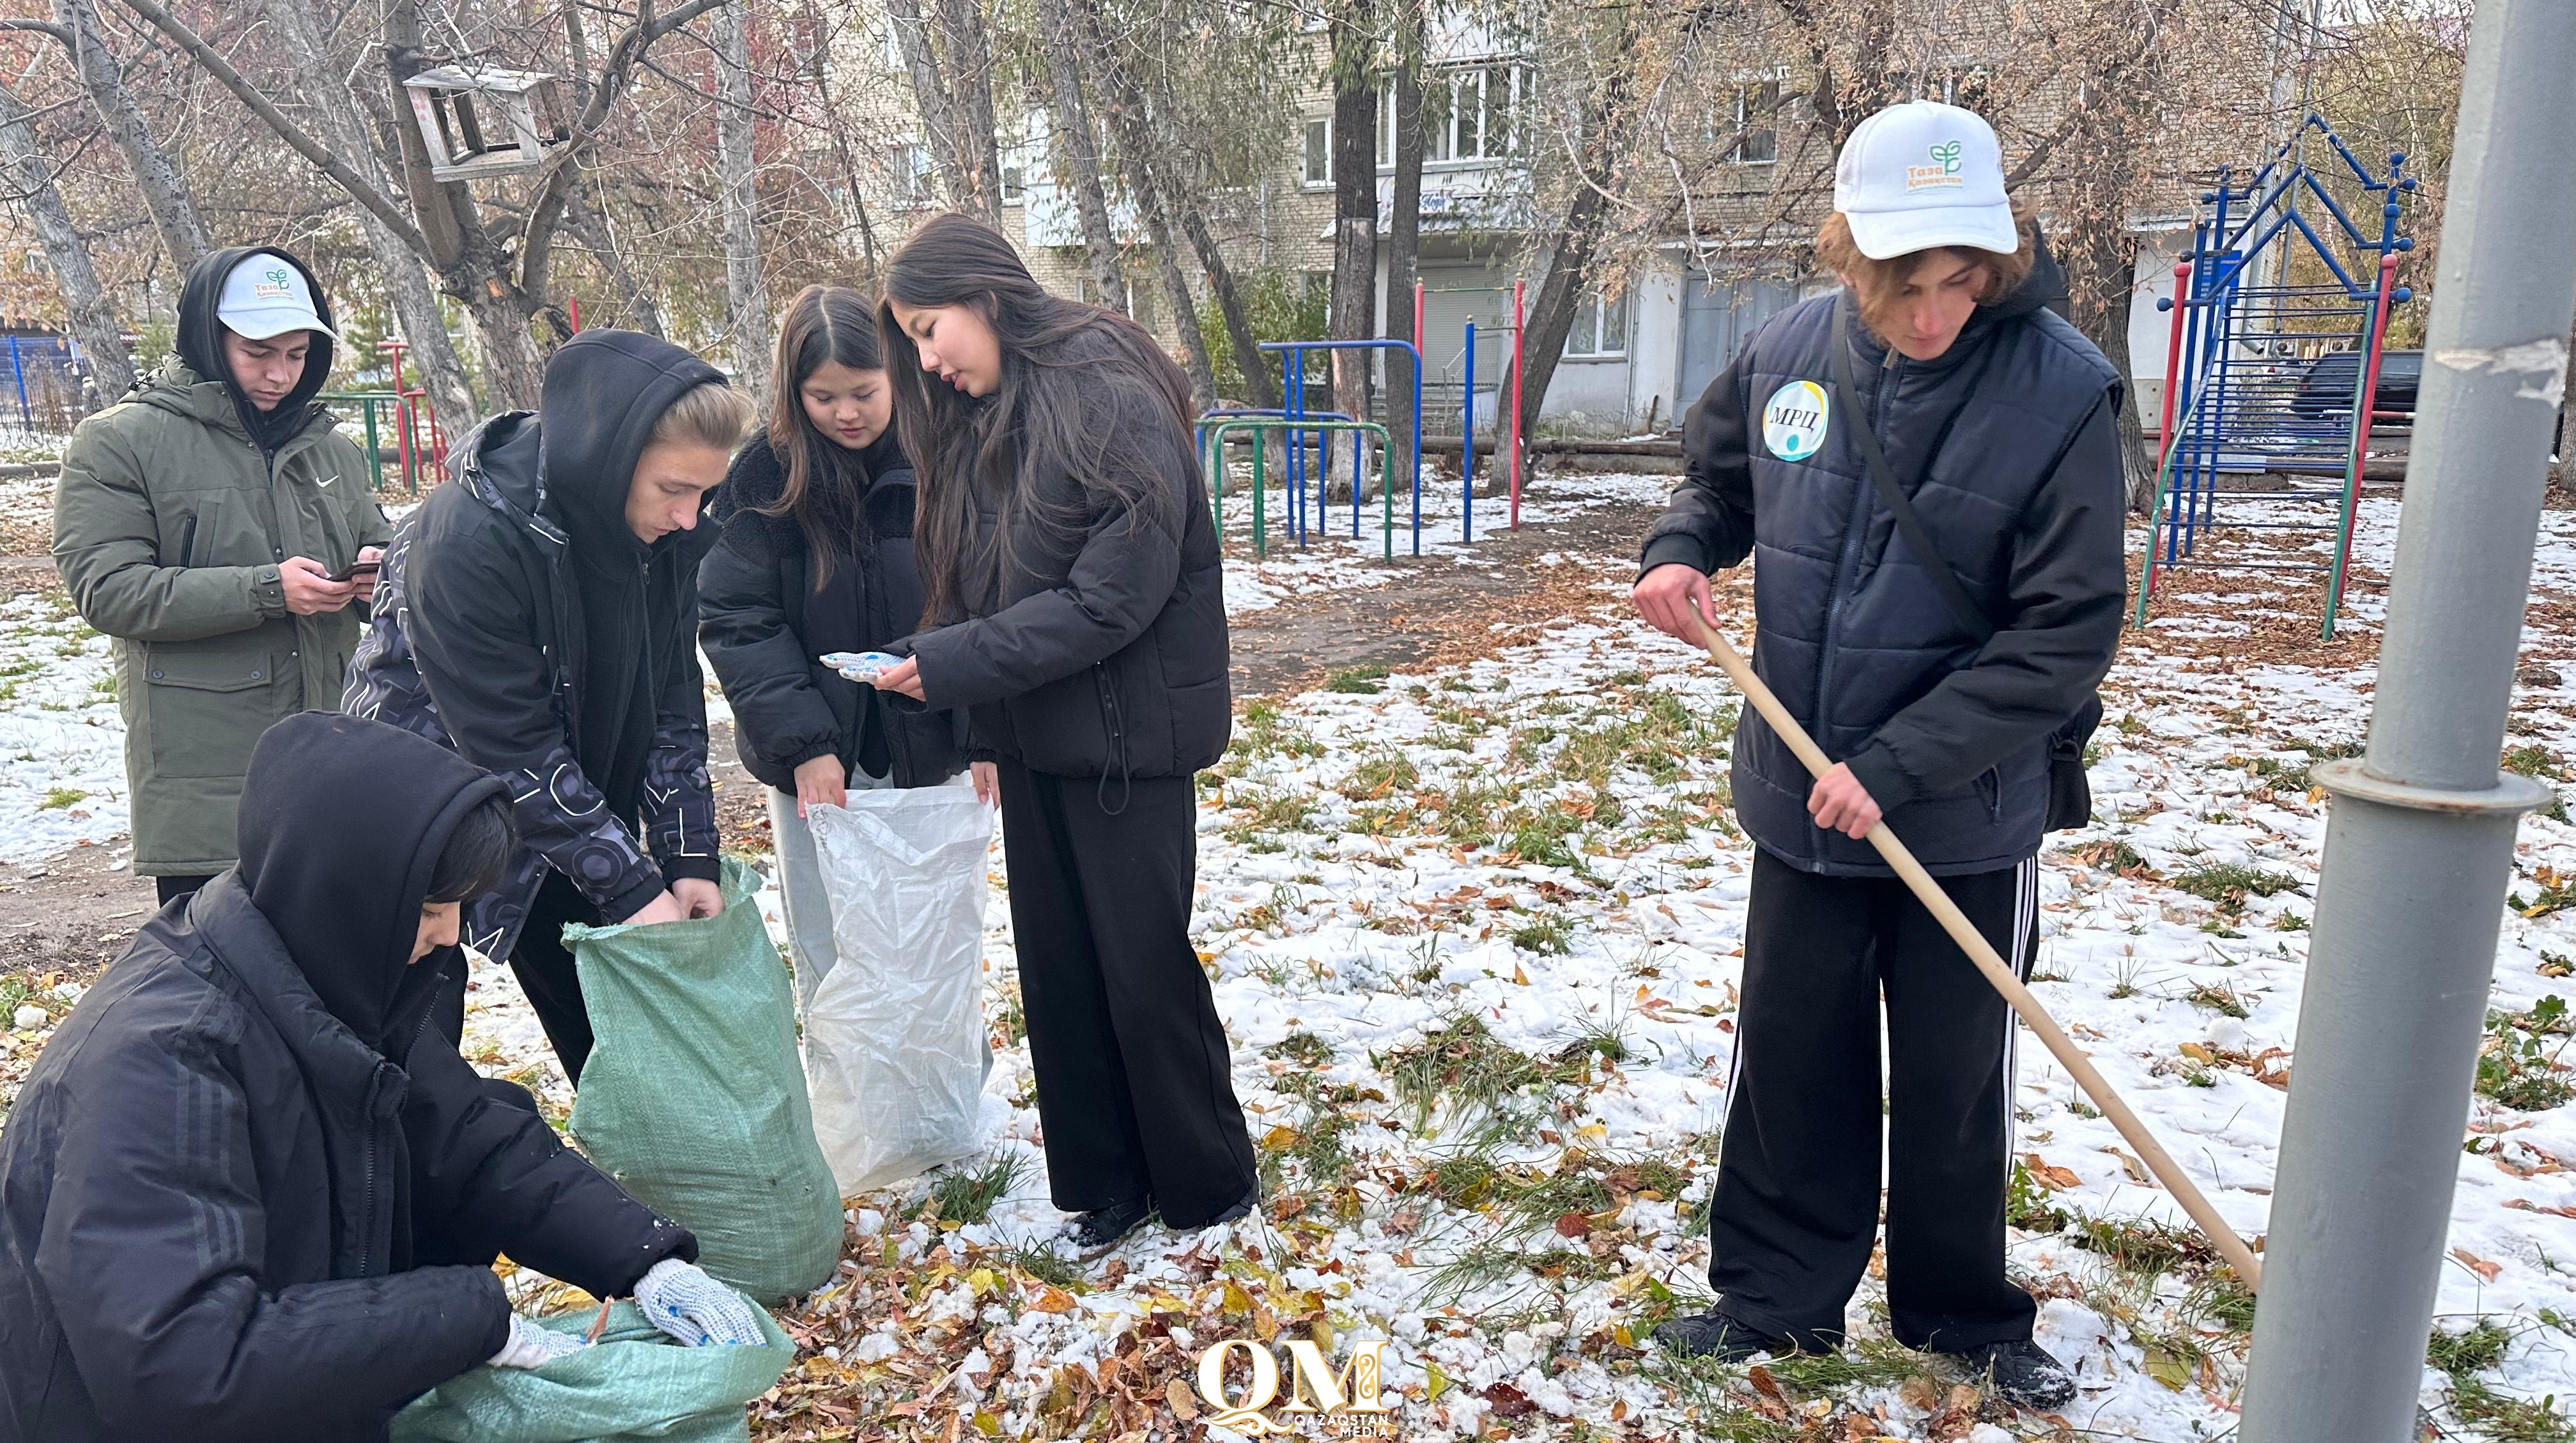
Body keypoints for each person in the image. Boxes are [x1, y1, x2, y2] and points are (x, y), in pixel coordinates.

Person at [1631, 101, 2124, 1406]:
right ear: (1850, 255)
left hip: (1959, 809)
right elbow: (1718, 480)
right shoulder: (1790, 346)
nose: (1928, 314)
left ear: (1992, 258)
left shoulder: (2062, 391)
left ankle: (1959, 1315)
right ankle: (1775, 1301)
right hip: (1797, 791)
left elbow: (2063, 632)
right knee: (1789, 1050)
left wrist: (1899, 763)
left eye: (1956, 280)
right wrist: (1678, 552)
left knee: (1955, 1075)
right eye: (1902, 283)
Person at [0, 712, 767, 1442]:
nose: (450, 934)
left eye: (459, 906)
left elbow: (470, 1138)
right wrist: (466, 1318)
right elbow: (182, 1361)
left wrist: (646, 1257)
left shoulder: (327, 964)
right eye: (433, 908)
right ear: (345, 887)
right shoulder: (162, 1062)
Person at [864, 215, 1255, 1251]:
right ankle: (1106, 1187)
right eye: (910, 337)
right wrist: (983, 721)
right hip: (1039, 736)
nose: (926, 356)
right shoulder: (995, 408)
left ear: (985, 295)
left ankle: (1208, 1187)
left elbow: (1110, 599)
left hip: (1129, 743)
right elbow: (992, 583)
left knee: (1141, 967)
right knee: (1061, 970)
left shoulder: (1105, 384)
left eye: (929, 326)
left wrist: (947, 668)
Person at [346, 332, 750, 1081]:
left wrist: (687, 852)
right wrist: (633, 888)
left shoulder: (656, 536)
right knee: (405, 1051)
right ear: (608, 455)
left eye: (706, 494)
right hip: (418, 813)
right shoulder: (464, 539)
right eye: (674, 490)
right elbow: (511, 745)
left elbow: (671, 700)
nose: (692, 518)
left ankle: (646, 1182)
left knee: (625, 1042)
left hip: (570, 807)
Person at [53, 246, 389, 907]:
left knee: (334, 995)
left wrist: (382, 574)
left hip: (334, 766)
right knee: (223, 992)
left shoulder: (332, 448)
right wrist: (268, 589)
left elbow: (374, 540)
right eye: (259, 351)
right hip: (208, 792)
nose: (280, 374)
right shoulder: (119, 441)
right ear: (210, 337)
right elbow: (109, 589)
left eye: (297, 354)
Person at [699, 283, 991, 1005]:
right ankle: (850, 1109)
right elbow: (737, 616)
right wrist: (804, 745)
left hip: (932, 746)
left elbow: (986, 600)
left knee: (935, 941)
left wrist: (989, 728)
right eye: (822, 397)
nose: (847, 413)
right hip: (818, 769)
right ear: (791, 393)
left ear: (898, 370)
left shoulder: (946, 458)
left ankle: (942, 1104)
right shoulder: (763, 480)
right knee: (832, 951)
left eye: (864, 391)